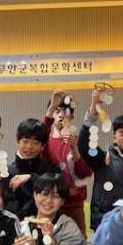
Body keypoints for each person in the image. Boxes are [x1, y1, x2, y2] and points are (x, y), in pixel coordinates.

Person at [78, 88, 123, 231]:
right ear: (114, 137)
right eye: (122, 133)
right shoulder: (103, 158)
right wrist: (94, 107)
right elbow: (84, 145)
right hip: (105, 222)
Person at [41, 90, 93, 234]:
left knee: (77, 244)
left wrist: (74, 149)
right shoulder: (44, 142)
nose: (61, 115)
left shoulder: (79, 141)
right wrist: (51, 107)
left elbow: (85, 173)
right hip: (49, 205)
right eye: (56, 111)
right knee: (48, 243)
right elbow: (41, 133)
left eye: (65, 111)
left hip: (74, 206)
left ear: (72, 116)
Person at [5, 118, 60, 219]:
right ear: (18, 141)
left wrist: (32, 178)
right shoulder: (7, 171)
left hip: (45, 222)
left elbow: (58, 192)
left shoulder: (51, 169)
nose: (29, 147)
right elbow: (6, 202)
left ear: (42, 146)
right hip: (15, 224)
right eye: (25, 141)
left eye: (35, 143)